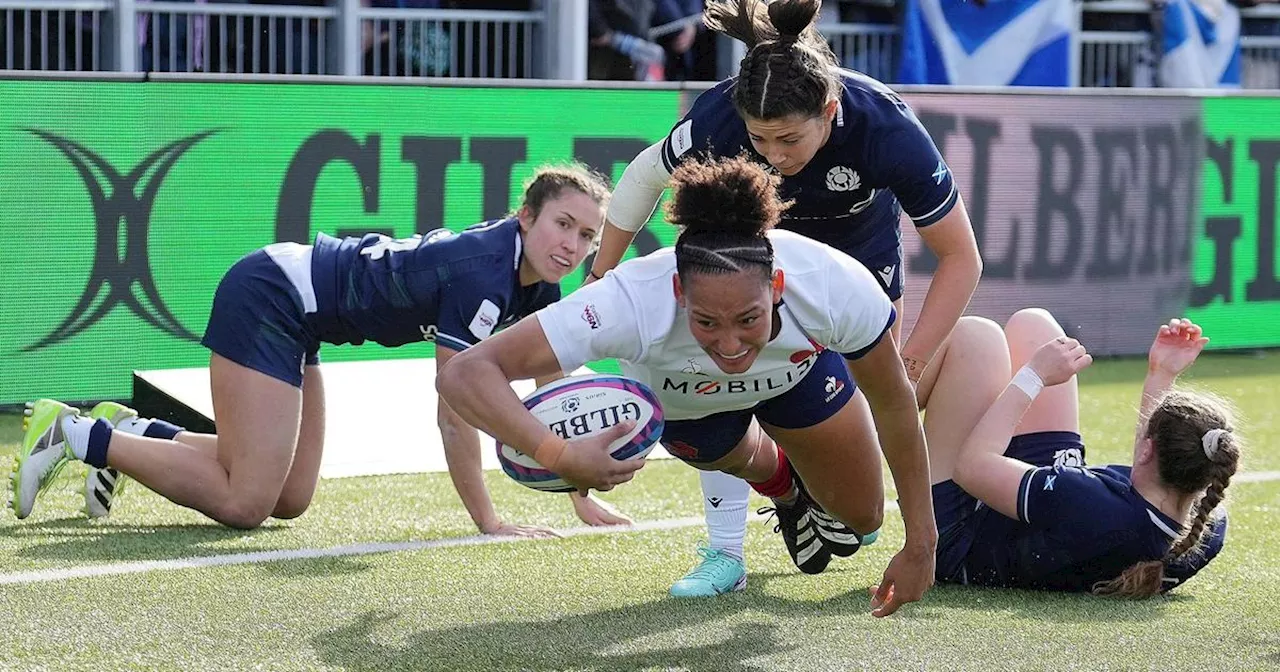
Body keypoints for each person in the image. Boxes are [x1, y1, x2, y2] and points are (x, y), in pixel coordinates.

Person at [583, 0, 981, 596]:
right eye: (759, 139)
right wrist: (601, 272)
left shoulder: (887, 127)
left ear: (829, 109)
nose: (773, 155)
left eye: (789, 138)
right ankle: (724, 552)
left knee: (858, 510)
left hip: (856, 270)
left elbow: (962, 258)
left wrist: (912, 357)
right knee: (713, 380)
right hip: (747, 258)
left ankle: (817, 498)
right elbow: (644, 175)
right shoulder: (718, 118)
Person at [438, 155, 937, 618]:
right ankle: (786, 490)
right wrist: (557, 454)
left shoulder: (833, 283)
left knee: (863, 521)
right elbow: (463, 373)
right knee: (745, 457)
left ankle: (809, 486)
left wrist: (921, 544)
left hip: (797, 377)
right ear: (678, 291)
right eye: (705, 321)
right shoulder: (628, 302)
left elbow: (894, 403)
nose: (729, 345)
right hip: (692, 408)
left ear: (778, 287)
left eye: (748, 319)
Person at [12, 165, 632, 535]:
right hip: (272, 295)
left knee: (289, 498)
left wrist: (576, 489)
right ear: (525, 217)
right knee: (246, 501)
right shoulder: (483, 274)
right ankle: (74, 433)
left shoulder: (536, 281)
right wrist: (489, 522)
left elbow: (554, 394)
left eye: (589, 235)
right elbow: (457, 405)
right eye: (563, 224)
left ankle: (131, 431)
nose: (574, 244)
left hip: (305, 321)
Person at [912, 309, 1236, 595]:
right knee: (1036, 326)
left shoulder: (1092, 503)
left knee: (977, 339)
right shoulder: (1205, 528)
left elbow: (972, 468)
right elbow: (1148, 475)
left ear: (1148, 450)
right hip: (1046, 517)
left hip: (963, 539)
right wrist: (1161, 374)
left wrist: (1034, 376)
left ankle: (877, 412)